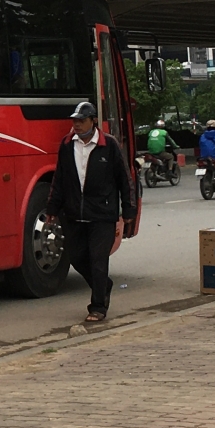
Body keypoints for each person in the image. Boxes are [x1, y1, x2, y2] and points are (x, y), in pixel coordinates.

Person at [46, 101, 136, 324]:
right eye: (74, 121)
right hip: (74, 213)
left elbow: (124, 179)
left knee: (98, 260)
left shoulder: (109, 145)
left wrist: (128, 209)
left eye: (81, 121)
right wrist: (52, 208)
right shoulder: (67, 145)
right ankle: (104, 285)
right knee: (77, 257)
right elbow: (60, 178)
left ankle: (98, 306)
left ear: (93, 121)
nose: (76, 125)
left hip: (102, 215)